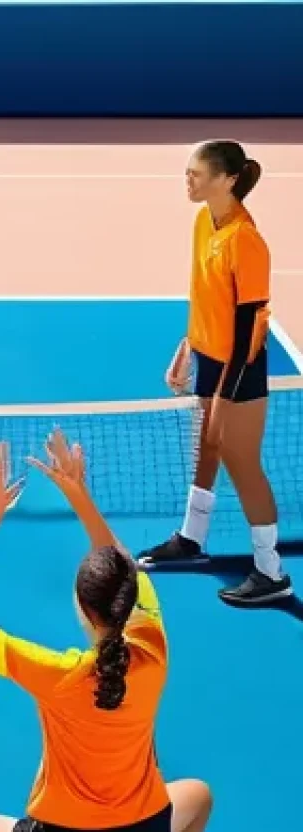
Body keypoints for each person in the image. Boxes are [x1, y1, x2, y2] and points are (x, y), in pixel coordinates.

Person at [0, 434, 212, 832]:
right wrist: (80, 494)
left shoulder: (57, 674)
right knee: (197, 795)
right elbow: (126, 568)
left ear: (83, 609)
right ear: (127, 603)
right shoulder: (153, 653)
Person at [137, 141, 292, 606]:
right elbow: (206, 296)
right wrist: (187, 346)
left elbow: (247, 328)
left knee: (242, 463)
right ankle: (192, 537)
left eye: (196, 174)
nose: (187, 180)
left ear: (228, 180)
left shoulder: (245, 240)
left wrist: (224, 398)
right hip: (207, 356)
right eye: (187, 172)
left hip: (239, 366)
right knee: (205, 448)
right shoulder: (204, 222)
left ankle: (271, 572)